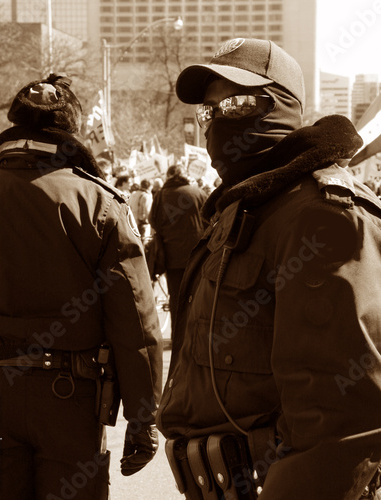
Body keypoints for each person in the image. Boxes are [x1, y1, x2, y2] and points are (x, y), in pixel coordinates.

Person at [156, 38, 381, 499]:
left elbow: (342, 421)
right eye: (208, 111)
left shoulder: (322, 215)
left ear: (280, 107)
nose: (216, 121)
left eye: (235, 102)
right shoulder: (243, 209)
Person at [0, 74, 162, 500]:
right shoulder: (100, 203)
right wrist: (142, 418)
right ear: (69, 134)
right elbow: (134, 321)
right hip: (68, 400)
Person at [149, 165, 207, 336]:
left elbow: (153, 222)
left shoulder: (160, 195)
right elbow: (212, 220)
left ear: (169, 176)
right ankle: (197, 335)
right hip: (198, 255)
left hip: (172, 257)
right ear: (184, 175)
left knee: (177, 299)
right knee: (198, 296)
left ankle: (179, 337)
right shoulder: (198, 192)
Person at [128, 178, 153, 243]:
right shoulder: (146, 196)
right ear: (150, 186)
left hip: (132, 223)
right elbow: (147, 212)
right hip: (142, 225)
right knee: (144, 244)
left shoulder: (133, 194)